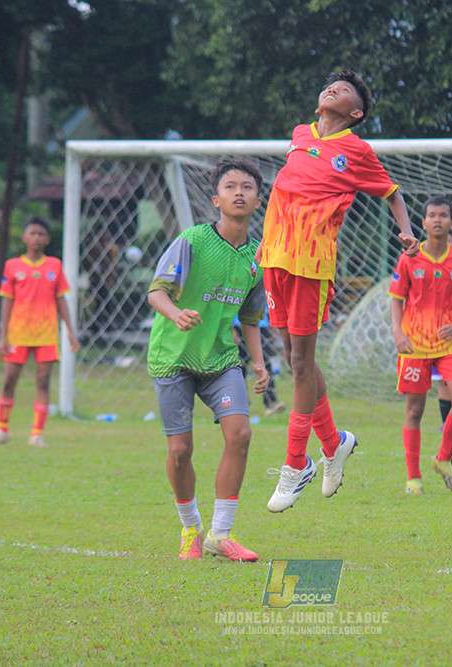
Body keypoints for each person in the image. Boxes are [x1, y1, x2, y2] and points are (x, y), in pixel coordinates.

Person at [259, 68, 419, 512]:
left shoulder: (357, 150)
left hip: (311, 264)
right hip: (273, 258)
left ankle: (296, 464)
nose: (332, 88)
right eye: (330, 85)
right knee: (295, 358)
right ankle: (334, 443)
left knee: (301, 362)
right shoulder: (299, 134)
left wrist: (407, 232)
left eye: (344, 89)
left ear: (355, 113)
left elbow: (393, 193)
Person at [147, 158, 269, 562]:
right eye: (230, 187)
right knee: (180, 450)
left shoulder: (256, 258)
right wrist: (175, 313)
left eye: (247, 187)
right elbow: (156, 292)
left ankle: (221, 534)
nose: (239, 193)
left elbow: (250, 317)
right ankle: (190, 529)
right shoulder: (193, 241)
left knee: (240, 434)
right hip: (173, 357)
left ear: (258, 200)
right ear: (216, 200)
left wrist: (258, 362)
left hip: (221, 360)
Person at [390, 196, 452, 494]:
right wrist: (398, 333)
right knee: (415, 410)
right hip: (414, 345)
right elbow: (396, 300)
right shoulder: (408, 258)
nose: (437, 219)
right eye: (432, 215)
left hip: (448, 344)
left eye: (443, 215)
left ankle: (443, 459)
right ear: (423, 222)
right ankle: (413, 478)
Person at [0, 216, 80, 448]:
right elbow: (7, 301)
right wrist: (3, 336)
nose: (36, 238)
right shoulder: (12, 266)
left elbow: (61, 299)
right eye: (33, 233)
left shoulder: (54, 265)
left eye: (41, 234)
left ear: (47, 239)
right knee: (9, 380)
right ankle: (2, 431)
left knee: (43, 381)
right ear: (24, 237)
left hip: (46, 333)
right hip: (18, 333)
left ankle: (37, 434)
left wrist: (70, 331)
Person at [234, 317, 285, 416]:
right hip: (238, 325)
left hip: (261, 324)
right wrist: (231, 327)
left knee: (265, 365)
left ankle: (271, 401)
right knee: (239, 367)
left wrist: (272, 324)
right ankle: (240, 403)